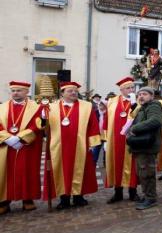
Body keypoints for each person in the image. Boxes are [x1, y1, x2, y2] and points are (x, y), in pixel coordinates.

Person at [44, 81, 101, 210]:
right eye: (70, 91)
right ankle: (64, 199)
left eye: (75, 91)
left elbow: (93, 124)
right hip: (58, 146)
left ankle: (78, 197)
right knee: (61, 170)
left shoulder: (86, 106)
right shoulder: (51, 107)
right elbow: (43, 127)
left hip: (80, 145)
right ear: (62, 93)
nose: (74, 93)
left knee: (80, 170)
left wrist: (92, 144)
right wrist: (43, 117)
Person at [0, 81, 43, 214]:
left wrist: (20, 138)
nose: (16, 93)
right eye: (13, 91)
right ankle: (4, 201)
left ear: (26, 92)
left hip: (26, 145)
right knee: (4, 173)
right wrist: (8, 138)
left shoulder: (36, 107)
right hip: (6, 146)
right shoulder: (2, 107)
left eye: (19, 90)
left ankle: (27, 199)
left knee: (27, 171)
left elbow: (38, 124)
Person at [127, 86, 162, 210]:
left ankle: (151, 198)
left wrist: (134, 128)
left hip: (148, 146)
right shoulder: (143, 108)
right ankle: (147, 195)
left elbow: (155, 121)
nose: (141, 96)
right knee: (142, 173)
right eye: (139, 95)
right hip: (141, 146)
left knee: (147, 173)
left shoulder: (153, 106)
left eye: (144, 94)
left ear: (152, 96)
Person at [104, 77, 139, 204]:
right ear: (121, 89)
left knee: (133, 166)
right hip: (116, 139)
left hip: (133, 138)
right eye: (128, 88)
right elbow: (107, 119)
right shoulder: (112, 102)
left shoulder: (138, 101)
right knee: (116, 164)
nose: (131, 90)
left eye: (132, 87)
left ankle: (133, 192)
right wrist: (105, 138)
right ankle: (117, 193)